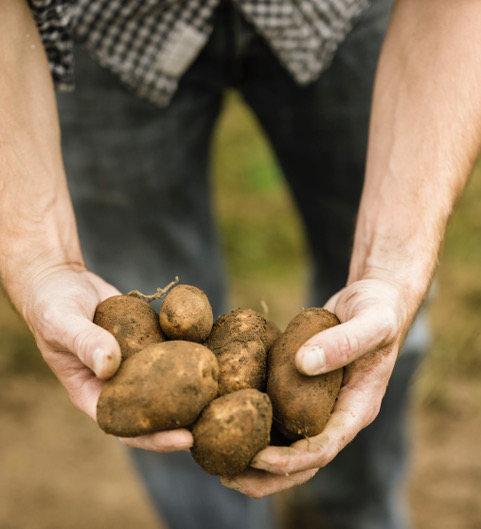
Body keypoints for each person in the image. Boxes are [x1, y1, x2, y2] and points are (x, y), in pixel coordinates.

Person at [1, 0, 480, 528]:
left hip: (343, 14)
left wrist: (395, 265)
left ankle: (351, 512)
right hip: (97, 28)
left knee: (376, 329)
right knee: (124, 360)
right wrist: (38, 256)